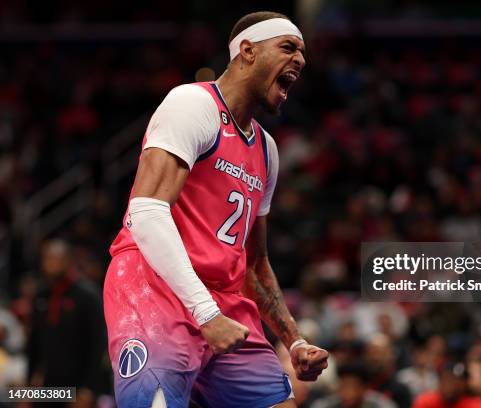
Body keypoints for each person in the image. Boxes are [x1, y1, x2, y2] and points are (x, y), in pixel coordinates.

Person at [103, 11, 329, 408]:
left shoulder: (266, 150)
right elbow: (146, 212)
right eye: (288, 47)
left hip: (223, 299)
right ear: (247, 51)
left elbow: (255, 263)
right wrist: (205, 314)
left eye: (303, 53)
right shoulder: (192, 103)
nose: (300, 60)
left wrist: (294, 340)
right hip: (154, 286)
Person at [28, 239, 106, 407]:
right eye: (47, 258)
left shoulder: (88, 295)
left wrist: (89, 388)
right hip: (48, 386)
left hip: (79, 386)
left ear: (68, 260)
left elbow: (98, 344)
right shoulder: (40, 296)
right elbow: (33, 344)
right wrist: (28, 386)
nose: (51, 263)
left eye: (56, 258)